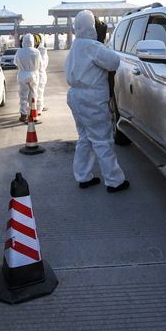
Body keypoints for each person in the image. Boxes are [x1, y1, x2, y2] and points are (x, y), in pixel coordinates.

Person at [65, 10, 129, 193]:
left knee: (85, 138)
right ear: (91, 27)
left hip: (76, 96)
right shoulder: (93, 46)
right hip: (91, 99)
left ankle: (83, 176)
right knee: (102, 140)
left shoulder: (75, 46)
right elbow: (114, 62)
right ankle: (114, 181)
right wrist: (103, 44)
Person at [14, 33, 41, 123]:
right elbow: (40, 64)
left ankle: (23, 114)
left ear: (23, 41)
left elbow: (15, 63)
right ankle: (33, 113)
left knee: (23, 95)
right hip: (34, 74)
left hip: (22, 74)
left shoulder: (19, 51)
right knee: (33, 94)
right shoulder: (37, 52)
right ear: (33, 41)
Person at [34, 33, 49, 113]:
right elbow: (43, 63)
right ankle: (38, 109)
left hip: (38, 73)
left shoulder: (37, 50)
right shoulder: (43, 50)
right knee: (39, 91)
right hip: (40, 73)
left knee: (37, 91)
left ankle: (38, 107)